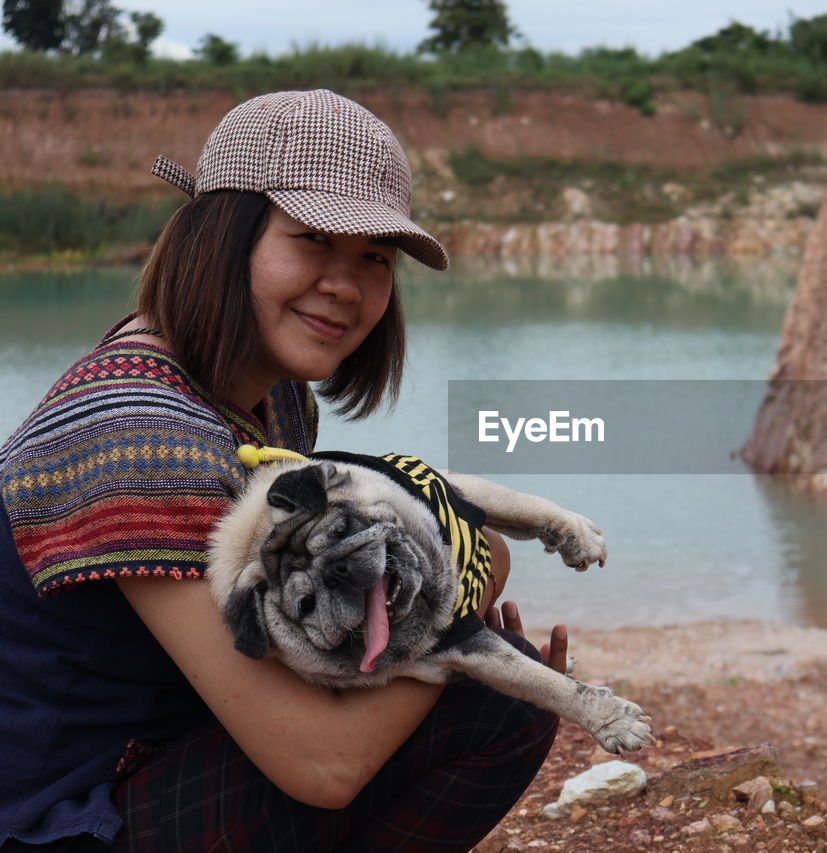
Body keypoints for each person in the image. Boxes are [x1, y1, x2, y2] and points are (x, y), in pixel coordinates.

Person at [0, 89, 568, 852]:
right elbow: (321, 765)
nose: (346, 284)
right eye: (311, 240)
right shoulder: (134, 433)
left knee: (497, 685)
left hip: (145, 759)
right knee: (497, 694)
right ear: (221, 238)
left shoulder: (273, 400)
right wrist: (468, 592)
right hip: (53, 815)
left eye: (374, 257)